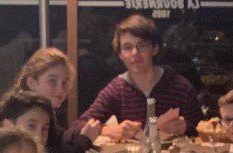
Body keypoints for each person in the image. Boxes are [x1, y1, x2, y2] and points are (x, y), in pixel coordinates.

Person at [72, 15, 202, 141]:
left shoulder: (180, 87)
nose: (135, 53)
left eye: (142, 45)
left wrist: (185, 127)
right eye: (127, 47)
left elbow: (205, 129)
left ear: (155, 49)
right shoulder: (117, 89)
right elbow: (77, 126)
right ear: (121, 55)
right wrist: (108, 130)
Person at [12, 47, 103, 153]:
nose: (61, 90)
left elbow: (60, 137)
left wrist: (83, 133)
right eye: (52, 81)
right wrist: (85, 139)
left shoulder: (42, 109)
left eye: (65, 82)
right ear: (32, 83)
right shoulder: (23, 112)